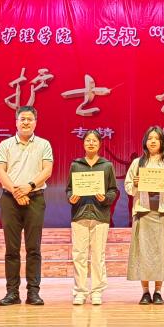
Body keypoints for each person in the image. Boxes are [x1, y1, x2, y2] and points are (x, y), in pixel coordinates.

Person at [0, 105, 53, 306]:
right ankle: (12, 293)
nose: (26, 122)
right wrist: (16, 192)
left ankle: (33, 293)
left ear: (35, 122)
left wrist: (28, 187)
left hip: (35, 198)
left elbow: (47, 171)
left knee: (33, 248)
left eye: (30, 119)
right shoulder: (5, 145)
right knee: (11, 249)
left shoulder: (44, 144)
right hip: (10, 199)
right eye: (22, 119)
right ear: (16, 122)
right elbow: (0, 172)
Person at [125, 126, 164, 304]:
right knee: (143, 253)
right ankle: (144, 292)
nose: (153, 141)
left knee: (160, 253)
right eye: (150, 138)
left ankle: (157, 291)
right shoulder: (137, 163)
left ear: (162, 141)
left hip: (162, 212)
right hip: (143, 212)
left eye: (156, 138)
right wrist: (135, 184)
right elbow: (128, 186)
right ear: (145, 142)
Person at [66, 129, 118, 305]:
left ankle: (97, 291)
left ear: (100, 144)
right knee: (79, 255)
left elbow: (113, 190)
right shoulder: (75, 165)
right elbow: (69, 189)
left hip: (100, 216)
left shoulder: (107, 166)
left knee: (98, 256)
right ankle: (80, 292)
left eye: (94, 141)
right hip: (79, 215)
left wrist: (105, 198)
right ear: (83, 143)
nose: (91, 143)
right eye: (88, 140)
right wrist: (71, 197)